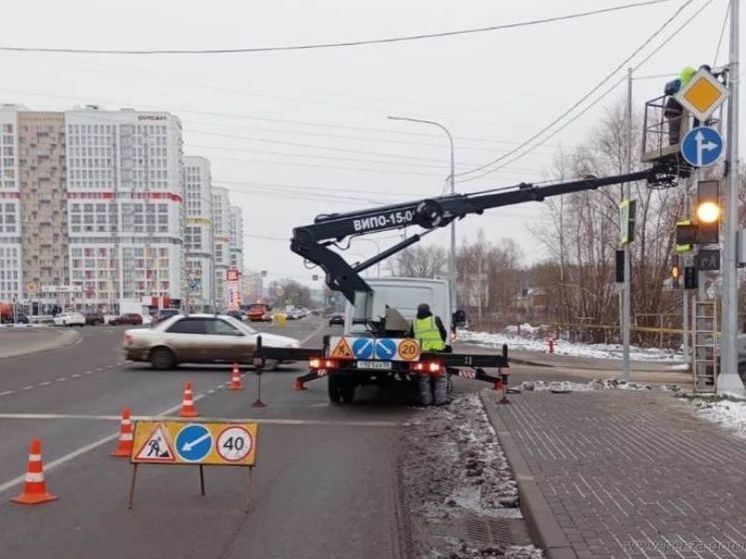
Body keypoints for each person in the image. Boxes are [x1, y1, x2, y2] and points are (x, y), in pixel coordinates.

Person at [410, 303, 449, 406]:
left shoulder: (414, 323)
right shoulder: (435, 319)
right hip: (436, 353)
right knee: (440, 377)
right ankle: (440, 400)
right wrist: (441, 344)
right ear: (428, 310)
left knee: (424, 378)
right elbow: (443, 333)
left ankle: (426, 401)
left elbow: (411, 338)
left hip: (422, 355)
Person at [663, 66, 696, 145]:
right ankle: (674, 143)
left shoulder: (682, 81)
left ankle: (675, 142)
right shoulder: (685, 83)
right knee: (675, 127)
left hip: (672, 107)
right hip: (675, 108)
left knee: (675, 127)